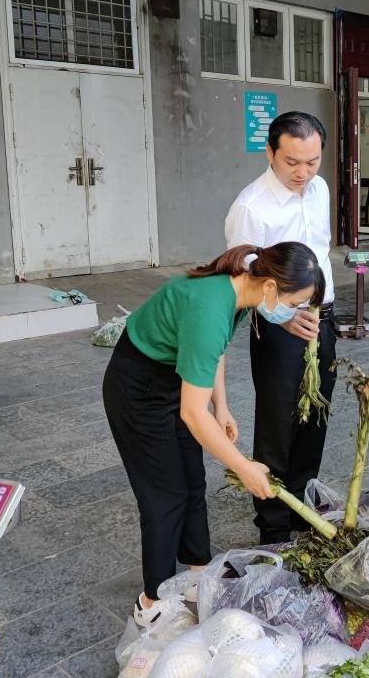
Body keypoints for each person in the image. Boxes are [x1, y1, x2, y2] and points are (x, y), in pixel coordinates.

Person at [102, 241, 325, 626]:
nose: (295, 312)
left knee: (192, 478)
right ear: (271, 287)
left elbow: (214, 351)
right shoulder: (211, 304)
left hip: (174, 379)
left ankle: (197, 573)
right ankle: (152, 602)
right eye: (296, 302)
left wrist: (220, 406)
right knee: (164, 492)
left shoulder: (240, 288)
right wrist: (244, 467)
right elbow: (192, 412)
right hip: (137, 389)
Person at [224, 111, 338, 545]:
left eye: (312, 162)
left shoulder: (319, 188)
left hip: (321, 318)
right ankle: (272, 524)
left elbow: (323, 250)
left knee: (316, 417)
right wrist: (283, 317)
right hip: (277, 326)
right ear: (270, 152)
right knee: (278, 421)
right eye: (292, 162)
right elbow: (242, 278)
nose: (303, 173)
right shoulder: (252, 207)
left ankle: (302, 503)